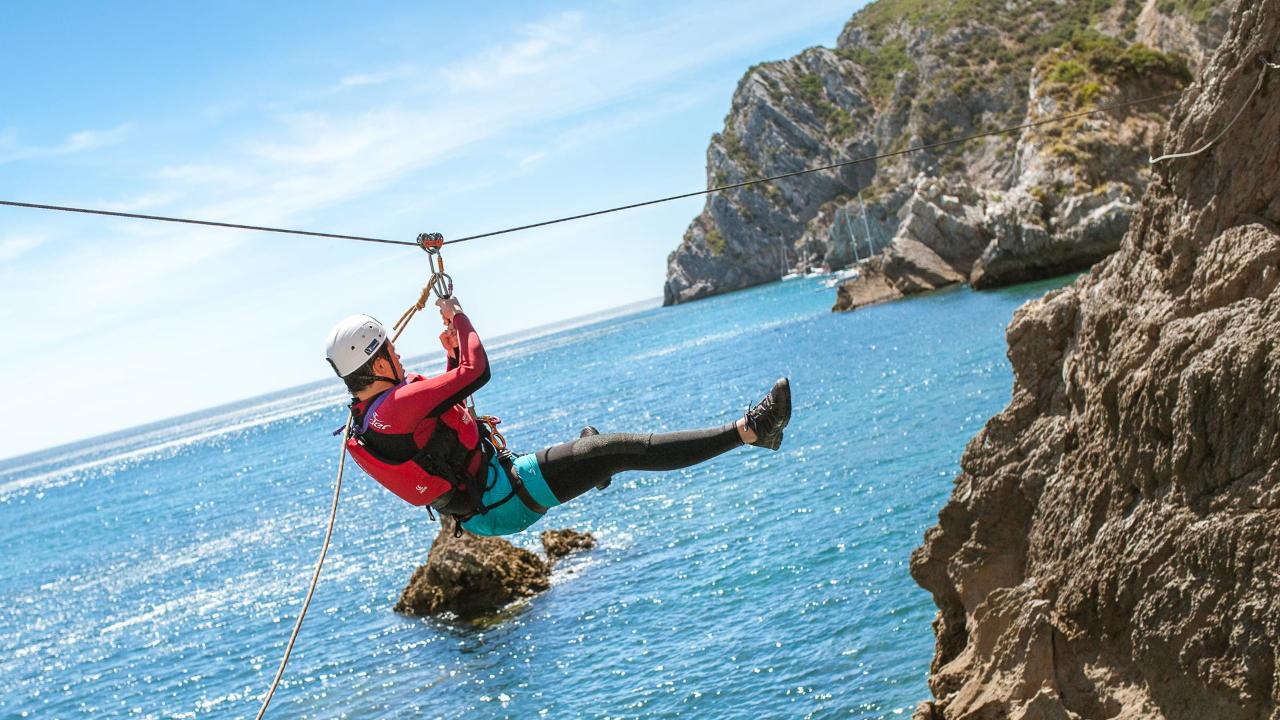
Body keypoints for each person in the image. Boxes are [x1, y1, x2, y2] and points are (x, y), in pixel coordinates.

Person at [324, 297, 791, 537]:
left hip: (488, 502)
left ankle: (591, 464)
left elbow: (439, 428)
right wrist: (460, 318)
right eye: (390, 348)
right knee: (617, 451)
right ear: (376, 360)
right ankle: (752, 432)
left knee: (592, 455)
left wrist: (448, 360)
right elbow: (476, 371)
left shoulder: (372, 416)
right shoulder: (396, 406)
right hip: (504, 497)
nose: (398, 351)